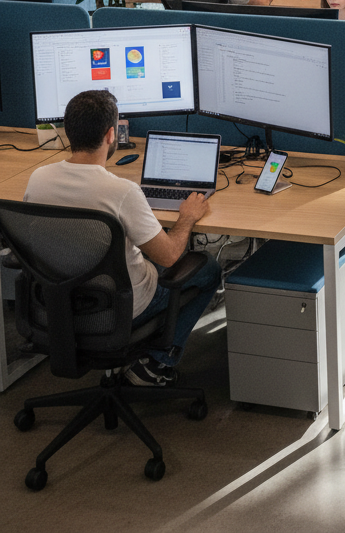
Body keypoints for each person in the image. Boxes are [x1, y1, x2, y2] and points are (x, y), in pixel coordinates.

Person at [23, 90, 221, 387]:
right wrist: (187, 218)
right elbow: (168, 256)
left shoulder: (38, 179)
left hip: (58, 304)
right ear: (111, 134)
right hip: (122, 309)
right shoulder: (122, 192)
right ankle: (157, 362)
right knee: (208, 268)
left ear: (68, 131)